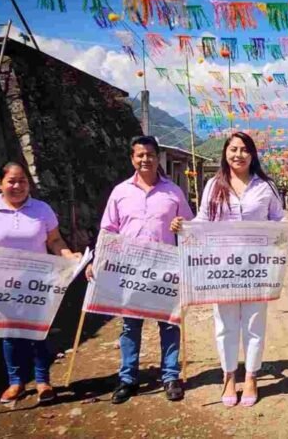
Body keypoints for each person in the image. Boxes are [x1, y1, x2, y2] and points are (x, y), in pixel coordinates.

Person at [171, 132, 288, 407]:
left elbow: (279, 219)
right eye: (233, 149)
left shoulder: (266, 187)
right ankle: (229, 376)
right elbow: (203, 220)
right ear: (225, 153)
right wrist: (184, 227)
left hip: (257, 269)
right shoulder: (213, 186)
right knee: (226, 325)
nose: (238, 154)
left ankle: (251, 376)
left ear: (252, 155)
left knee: (254, 324)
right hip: (222, 269)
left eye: (244, 150)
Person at [0, 161, 82, 404]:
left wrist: (68, 255)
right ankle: (16, 383)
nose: (17, 186)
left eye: (22, 180)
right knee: (10, 334)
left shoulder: (42, 209)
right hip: (0, 286)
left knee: (38, 332)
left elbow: (55, 240)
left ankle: (43, 381)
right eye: (11, 181)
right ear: (0, 184)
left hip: (36, 283)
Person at [86, 136, 194, 404]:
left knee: (169, 324)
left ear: (158, 158)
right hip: (130, 271)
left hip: (165, 270)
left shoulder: (174, 192)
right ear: (132, 158)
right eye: (139, 155)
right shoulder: (120, 192)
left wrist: (182, 226)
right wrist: (97, 261)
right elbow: (108, 231)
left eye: (150, 155)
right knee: (129, 326)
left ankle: (170, 376)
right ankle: (127, 379)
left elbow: (192, 228)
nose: (145, 159)